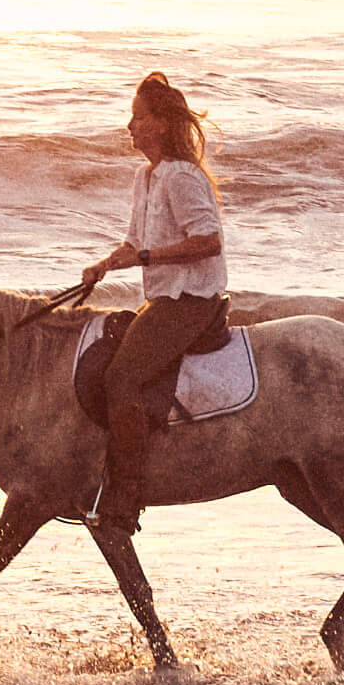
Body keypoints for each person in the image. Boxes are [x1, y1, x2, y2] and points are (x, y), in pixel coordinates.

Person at [75, 72, 231, 537]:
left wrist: (146, 257)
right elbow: (134, 244)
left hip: (192, 300)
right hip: (164, 297)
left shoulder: (181, 177)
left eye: (138, 118)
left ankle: (126, 500)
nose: (130, 126)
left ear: (161, 124)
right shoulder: (145, 178)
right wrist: (104, 265)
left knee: (121, 377)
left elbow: (208, 242)